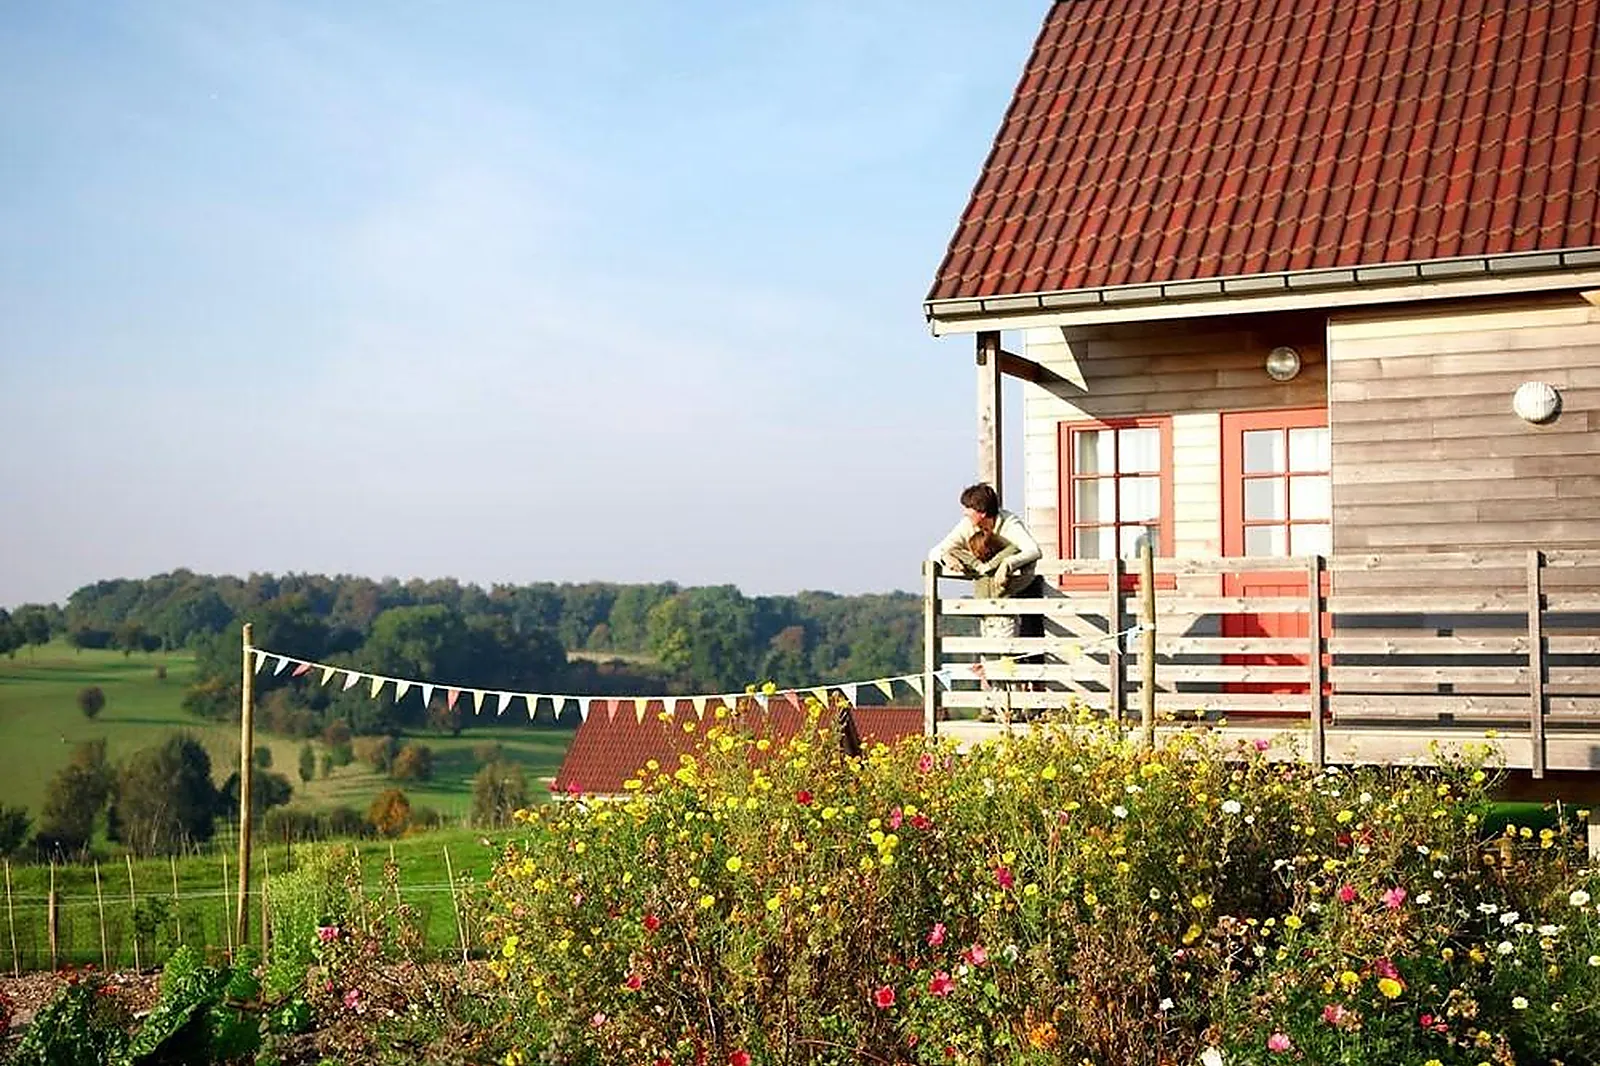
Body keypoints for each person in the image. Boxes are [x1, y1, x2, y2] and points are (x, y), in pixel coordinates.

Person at [928, 483, 1045, 640]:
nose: (965, 513)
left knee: (1029, 647)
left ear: (982, 512)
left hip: (1022, 588)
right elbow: (935, 551)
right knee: (991, 641)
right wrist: (945, 557)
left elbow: (1034, 550)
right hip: (991, 593)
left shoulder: (1010, 523)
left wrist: (1008, 564)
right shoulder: (967, 525)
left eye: (968, 508)